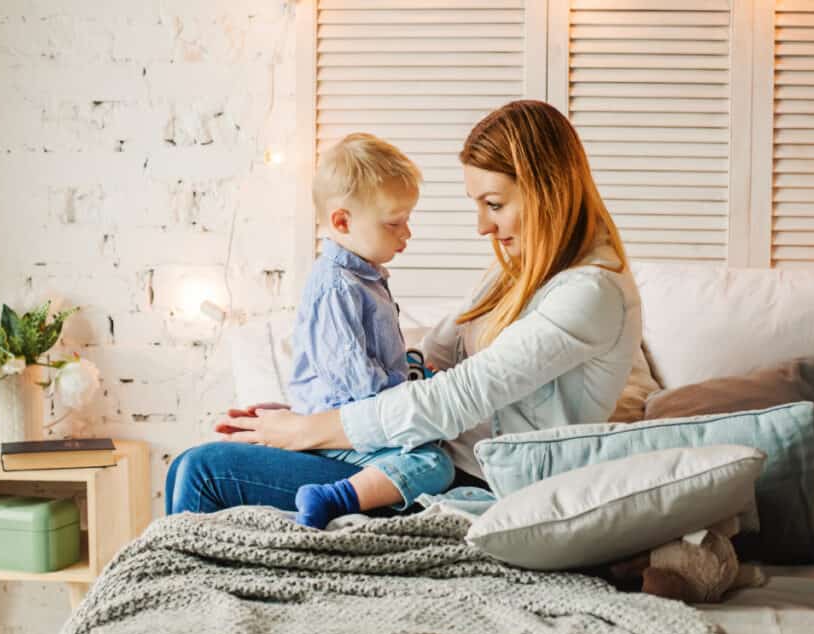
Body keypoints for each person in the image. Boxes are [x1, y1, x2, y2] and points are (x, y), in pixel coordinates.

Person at [165, 99, 642, 519]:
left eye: (494, 204)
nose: (482, 227)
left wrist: (308, 431)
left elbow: (457, 395)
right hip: (415, 450)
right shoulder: (519, 268)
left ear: (547, 191)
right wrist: (313, 408)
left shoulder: (590, 293)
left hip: (461, 478)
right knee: (193, 466)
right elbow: (427, 357)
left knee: (203, 470)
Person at [283, 132, 454, 528]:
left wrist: (417, 374)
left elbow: (381, 361)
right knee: (432, 463)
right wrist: (411, 405)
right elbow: (355, 383)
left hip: (364, 418)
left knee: (436, 454)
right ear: (342, 221)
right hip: (337, 432)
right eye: (395, 223)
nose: (406, 234)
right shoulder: (337, 286)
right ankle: (330, 498)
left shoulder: (366, 279)